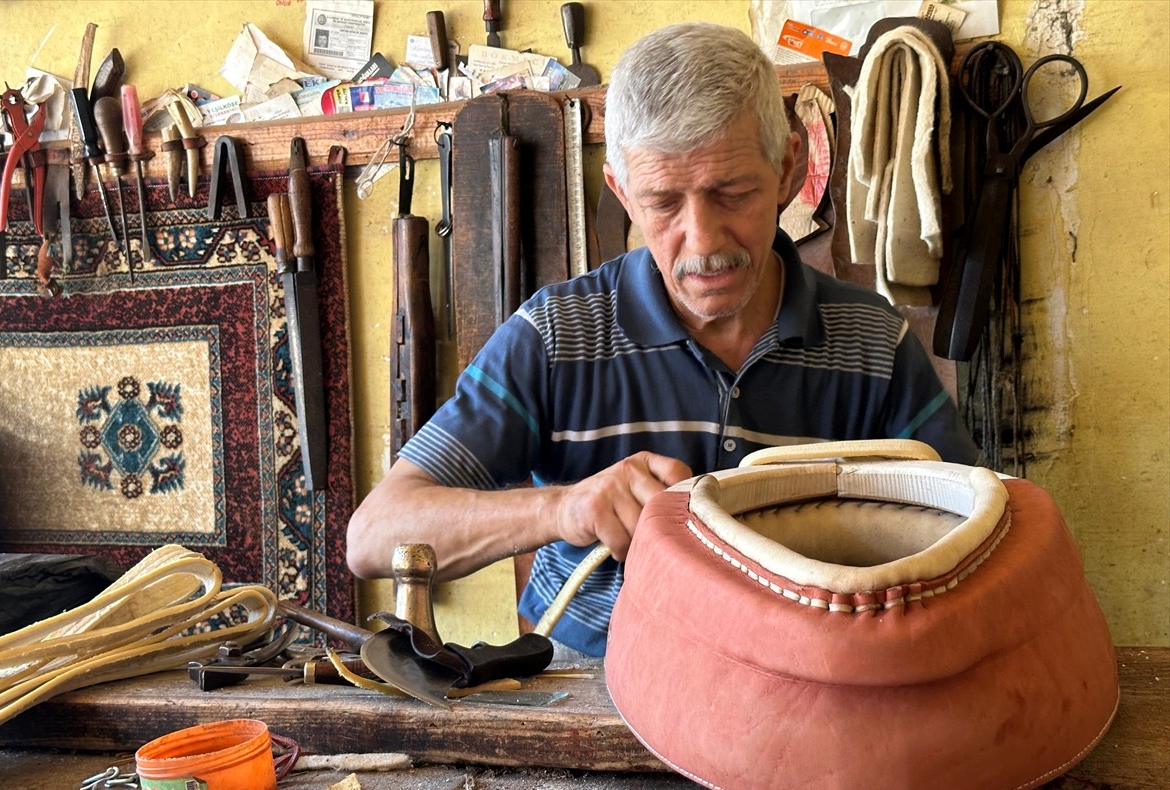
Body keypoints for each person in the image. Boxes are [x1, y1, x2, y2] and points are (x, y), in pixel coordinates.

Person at [347, 22, 981, 656]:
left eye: (732, 193)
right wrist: (564, 510)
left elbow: (974, 531)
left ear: (790, 168)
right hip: (596, 680)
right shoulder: (556, 336)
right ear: (622, 193)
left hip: (805, 678)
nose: (702, 242)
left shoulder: (873, 342)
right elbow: (374, 537)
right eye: (663, 203)